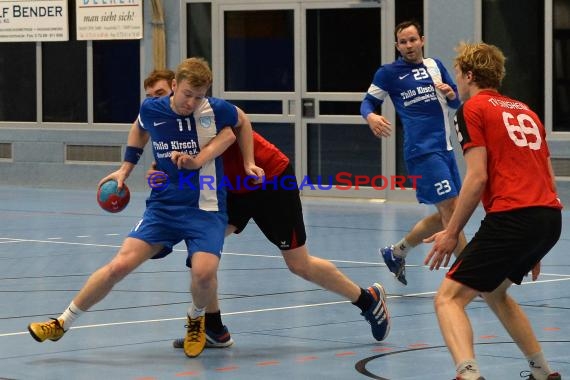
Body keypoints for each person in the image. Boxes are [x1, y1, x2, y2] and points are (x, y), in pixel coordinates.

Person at [27, 57, 260, 359]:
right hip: (164, 207)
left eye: (198, 96)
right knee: (119, 266)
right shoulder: (152, 108)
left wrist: (248, 162)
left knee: (204, 273)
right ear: (175, 86)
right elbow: (138, 129)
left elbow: (241, 123)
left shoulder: (214, 110)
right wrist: (124, 169)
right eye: (187, 94)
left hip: (206, 206)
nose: (191, 102)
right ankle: (61, 323)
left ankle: (195, 319)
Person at [142, 70, 391, 349]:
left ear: (177, 88)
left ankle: (368, 300)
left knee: (299, 264)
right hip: (234, 190)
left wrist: (248, 162)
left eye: (161, 95)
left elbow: (235, 129)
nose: (156, 102)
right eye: (150, 97)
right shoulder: (166, 123)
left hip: (270, 179)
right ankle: (214, 328)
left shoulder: (208, 111)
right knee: (199, 255)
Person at [424, 42, 562, 380]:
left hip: (514, 217)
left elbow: (477, 177)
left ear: (470, 75)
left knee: (448, 299)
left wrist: (451, 232)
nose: (456, 80)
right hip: (548, 217)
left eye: (458, 74)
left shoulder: (472, 109)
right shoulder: (525, 111)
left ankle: (468, 374)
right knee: (495, 291)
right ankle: (543, 373)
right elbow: (548, 177)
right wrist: (534, 245)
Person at [360, 20, 467, 285]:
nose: (408, 46)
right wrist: (371, 117)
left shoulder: (436, 66)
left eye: (412, 40)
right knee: (452, 211)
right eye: (403, 42)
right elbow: (367, 103)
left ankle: (397, 252)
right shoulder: (388, 73)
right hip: (422, 151)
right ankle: (470, 276)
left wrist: (450, 92)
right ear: (397, 46)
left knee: (447, 214)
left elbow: (455, 102)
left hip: (446, 148)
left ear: (422, 40)